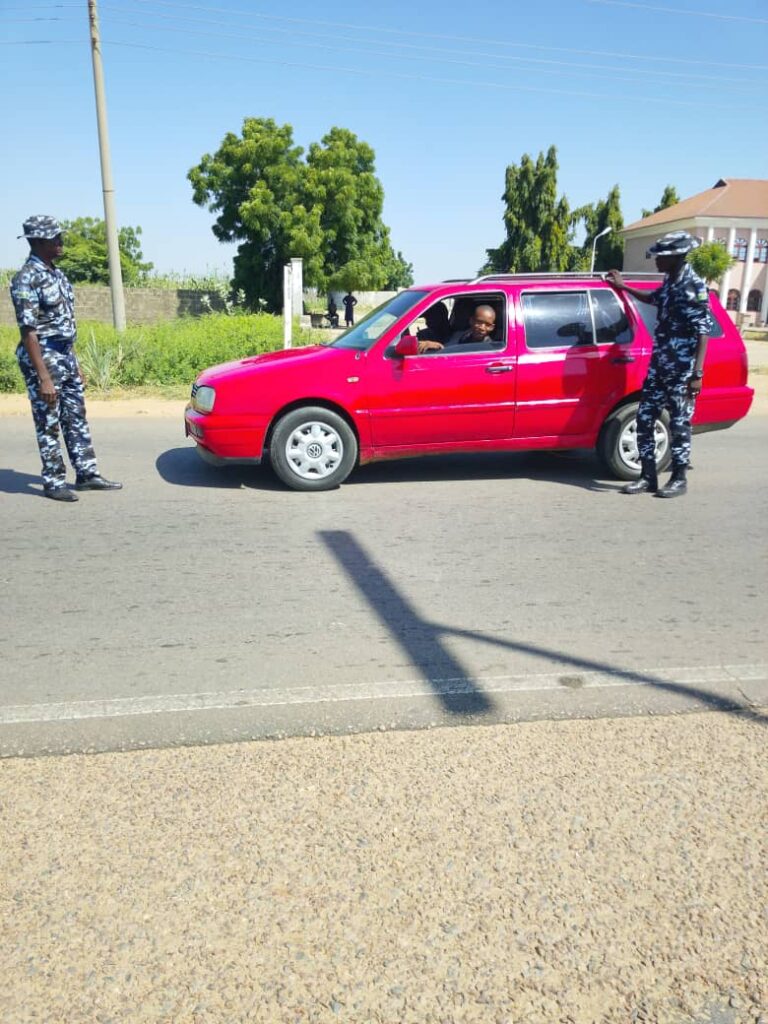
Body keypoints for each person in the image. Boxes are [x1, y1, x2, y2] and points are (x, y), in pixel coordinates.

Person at [9, 215, 122, 502]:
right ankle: (54, 480)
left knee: (75, 415)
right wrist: (44, 377)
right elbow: (28, 331)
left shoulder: (57, 274)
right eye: (54, 238)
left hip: (64, 354)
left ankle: (86, 474)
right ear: (37, 242)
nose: (60, 242)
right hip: (43, 355)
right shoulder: (26, 278)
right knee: (48, 420)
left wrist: (75, 361)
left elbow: (65, 324)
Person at [605, 230, 711, 499]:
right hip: (660, 365)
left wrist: (696, 373)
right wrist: (623, 285)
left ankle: (678, 479)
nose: (656, 261)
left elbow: (703, 330)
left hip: (682, 369)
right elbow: (653, 299)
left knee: (679, 424)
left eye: (661, 257)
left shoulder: (693, 286)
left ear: (677, 257)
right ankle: (648, 476)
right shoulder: (670, 279)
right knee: (643, 419)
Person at [419, 304, 497, 352]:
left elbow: (453, 354)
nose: (482, 328)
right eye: (479, 322)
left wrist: (438, 346)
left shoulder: (488, 347)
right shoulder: (466, 337)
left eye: (487, 325)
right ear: (471, 321)